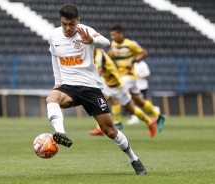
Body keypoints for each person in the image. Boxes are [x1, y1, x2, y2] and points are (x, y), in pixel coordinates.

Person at [46, 4, 146, 175]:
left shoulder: (85, 30)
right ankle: (60, 133)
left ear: (78, 20)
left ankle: (134, 159)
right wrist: (58, 82)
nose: (68, 28)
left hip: (90, 87)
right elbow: (55, 59)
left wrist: (92, 41)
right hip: (68, 86)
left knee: (110, 131)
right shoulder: (54, 36)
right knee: (51, 99)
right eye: (64, 24)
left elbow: (107, 43)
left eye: (71, 24)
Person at [108, 25, 165, 132]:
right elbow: (112, 54)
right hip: (123, 76)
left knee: (115, 94)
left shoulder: (130, 44)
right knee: (139, 100)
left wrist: (133, 61)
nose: (112, 37)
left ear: (121, 34)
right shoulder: (113, 44)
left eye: (114, 35)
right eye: (111, 35)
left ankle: (117, 123)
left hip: (129, 76)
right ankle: (158, 116)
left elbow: (143, 53)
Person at [89, 49, 156, 137]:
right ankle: (107, 125)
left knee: (130, 109)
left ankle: (149, 121)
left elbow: (99, 72)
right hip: (108, 85)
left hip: (117, 86)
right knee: (100, 99)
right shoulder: (95, 55)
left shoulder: (99, 56)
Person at [127, 60, 150, 125]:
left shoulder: (143, 64)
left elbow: (148, 76)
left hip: (142, 87)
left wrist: (139, 76)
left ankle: (155, 111)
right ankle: (134, 118)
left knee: (142, 103)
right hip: (133, 86)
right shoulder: (132, 64)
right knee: (131, 102)